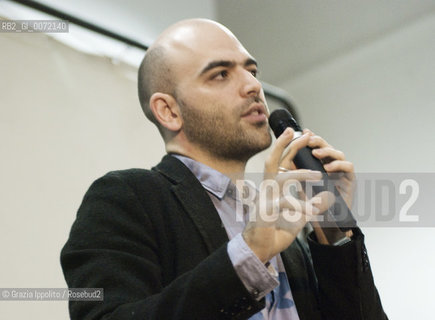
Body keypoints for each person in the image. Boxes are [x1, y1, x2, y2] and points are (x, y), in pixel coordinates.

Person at [61, 18, 387, 319]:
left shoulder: (289, 230)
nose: (253, 87)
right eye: (221, 74)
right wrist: (249, 254)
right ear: (169, 110)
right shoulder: (126, 199)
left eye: (252, 71)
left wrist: (333, 227)